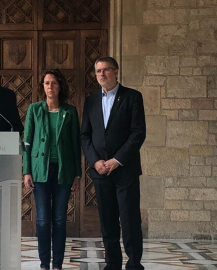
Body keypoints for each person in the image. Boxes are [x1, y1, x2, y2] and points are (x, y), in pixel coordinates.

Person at [80, 56, 146, 270]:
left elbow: (138, 134)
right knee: (107, 222)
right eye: (98, 71)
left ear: (116, 72)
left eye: (106, 70)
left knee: (129, 221)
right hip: (100, 171)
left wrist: (117, 160)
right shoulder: (90, 101)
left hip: (125, 170)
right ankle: (112, 264)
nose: (101, 74)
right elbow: (85, 136)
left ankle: (135, 264)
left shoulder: (133, 97)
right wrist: (96, 161)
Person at [23, 69, 81, 270]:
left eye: (54, 83)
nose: (50, 87)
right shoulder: (34, 109)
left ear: (60, 86)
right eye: (46, 83)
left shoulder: (70, 111)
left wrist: (77, 174)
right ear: (42, 87)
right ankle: (43, 265)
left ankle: (57, 265)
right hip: (40, 171)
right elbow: (28, 142)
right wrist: (27, 171)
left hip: (63, 171)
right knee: (42, 220)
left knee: (58, 220)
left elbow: (76, 144)